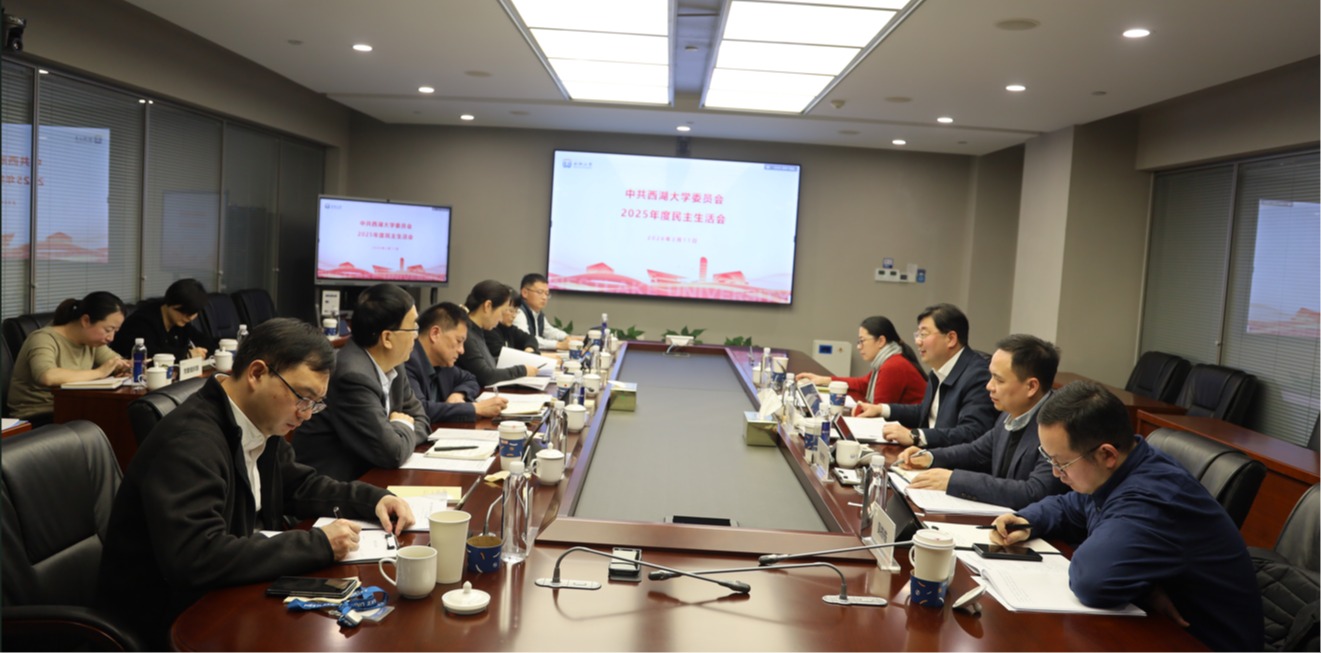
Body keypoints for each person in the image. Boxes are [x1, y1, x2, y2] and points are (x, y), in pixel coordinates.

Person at [96, 318, 415, 648]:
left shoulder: (259, 420)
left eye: (315, 403)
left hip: (236, 591)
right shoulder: (190, 442)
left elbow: (299, 486)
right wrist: (319, 544)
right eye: (302, 397)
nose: (306, 413)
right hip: (175, 619)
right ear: (257, 373)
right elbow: (198, 556)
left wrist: (374, 499)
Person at [990, 381, 1262, 652]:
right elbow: (1073, 505)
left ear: (1107, 454)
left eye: (1061, 463)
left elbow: (1092, 579)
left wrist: (1135, 584)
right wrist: (1028, 520)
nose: (1055, 473)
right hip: (1156, 631)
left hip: (1201, 643)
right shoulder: (1122, 468)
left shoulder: (1151, 497)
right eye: (1050, 460)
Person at [896, 334, 1068, 509]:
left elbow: (1034, 492)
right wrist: (930, 457)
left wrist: (954, 480)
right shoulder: (1010, 412)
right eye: (990, 376)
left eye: (998, 380)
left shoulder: (1058, 427)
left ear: (1031, 386)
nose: (989, 386)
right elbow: (976, 451)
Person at [293, 284, 430, 481]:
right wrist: (402, 425)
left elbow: (422, 420)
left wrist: (397, 434)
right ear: (387, 338)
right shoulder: (352, 376)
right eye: (412, 328)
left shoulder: (395, 366)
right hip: (332, 486)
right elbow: (392, 453)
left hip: (370, 476)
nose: (416, 335)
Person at [854, 303, 996, 448]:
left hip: (945, 459)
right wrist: (881, 409)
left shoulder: (977, 376)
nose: (917, 341)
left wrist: (916, 436)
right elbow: (924, 413)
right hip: (929, 453)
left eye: (924, 334)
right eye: (917, 335)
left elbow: (972, 433)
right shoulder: (937, 372)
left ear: (951, 339)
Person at [7, 291, 131, 424]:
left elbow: (116, 363)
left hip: (72, 407)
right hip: (38, 414)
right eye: (108, 330)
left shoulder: (92, 342)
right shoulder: (43, 338)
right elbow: (47, 376)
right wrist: (100, 372)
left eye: (115, 331)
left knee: (125, 416)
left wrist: (128, 368)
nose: (111, 338)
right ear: (86, 321)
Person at [405, 301, 507, 423]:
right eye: (459, 341)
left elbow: (470, 379)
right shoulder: (407, 361)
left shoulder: (443, 364)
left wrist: (459, 394)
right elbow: (420, 409)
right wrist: (475, 408)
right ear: (435, 334)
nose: (462, 350)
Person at [796, 315, 925, 405]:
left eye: (862, 341)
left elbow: (878, 411)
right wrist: (823, 380)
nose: (859, 347)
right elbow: (863, 384)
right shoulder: (889, 361)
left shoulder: (893, 366)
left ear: (881, 341)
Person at [456, 280, 539, 387]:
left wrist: (523, 360)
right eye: (501, 312)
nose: (500, 319)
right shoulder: (466, 333)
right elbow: (486, 375)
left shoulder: (477, 330)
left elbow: (487, 361)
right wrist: (522, 370)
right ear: (488, 306)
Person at [110, 277, 214, 361]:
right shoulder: (142, 321)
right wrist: (186, 354)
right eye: (185, 312)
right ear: (170, 303)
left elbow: (204, 341)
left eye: (193, 313)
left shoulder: (180, 322)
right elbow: (150, 354)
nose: (190, 318)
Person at [512, 273, 572, 350]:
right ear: (525, 293)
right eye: (540, 292)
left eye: (547, 293)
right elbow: (527, 339)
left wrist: (566, 337)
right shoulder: (517, 312)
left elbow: (549, 331)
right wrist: (558, 345)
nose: (544, 297)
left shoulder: (537, 313)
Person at [487, 291, 539, 357]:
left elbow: (530, 338)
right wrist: (526, 356)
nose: (514, 315)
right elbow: (501, 354)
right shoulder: (489, 329)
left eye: (516, 311)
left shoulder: (510, 329)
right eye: (511, 311)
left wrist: (529, 349)